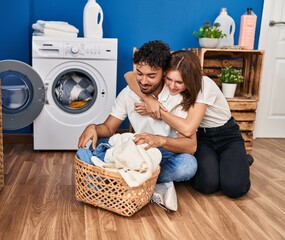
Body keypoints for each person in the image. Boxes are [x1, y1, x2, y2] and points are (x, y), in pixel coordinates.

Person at [125, 50, 251, 198]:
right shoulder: (170, 82)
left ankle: (241, 160)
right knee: (207, 186)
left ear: (191, 79)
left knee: (234, 189)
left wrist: (157, 110)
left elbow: (188, 127)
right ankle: (225, 164)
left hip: (226, 136)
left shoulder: (204, 85)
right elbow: (129, 75)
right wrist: (148, 99)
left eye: (179, 82)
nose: (172, 86)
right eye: (168, 79)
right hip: (202, 139)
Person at [78, 40, 197, 185]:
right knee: (98, 144)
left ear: (164, 73)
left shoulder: (177, 96)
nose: (144, 81)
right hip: (133, 150)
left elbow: (190, 146)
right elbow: (109, 128)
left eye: (151, 76)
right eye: (140, 74)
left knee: (188, 165)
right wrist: (94, 127)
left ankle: (116, 177)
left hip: (163, 153)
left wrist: (159, 140)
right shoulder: (129, 93)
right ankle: (134, 178)